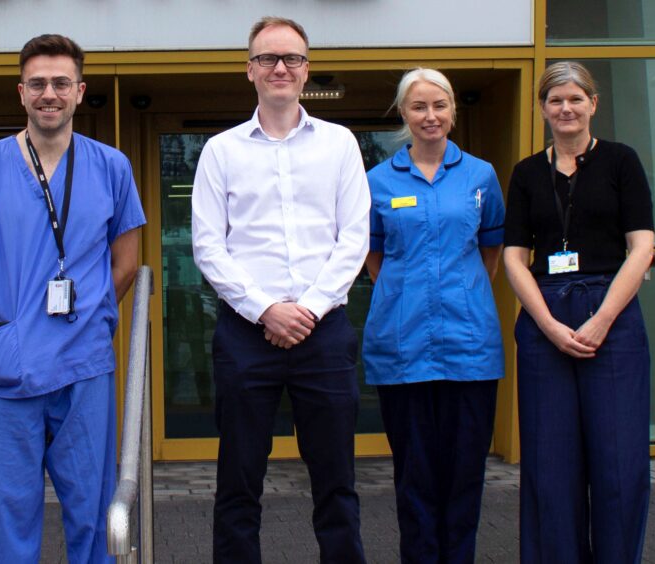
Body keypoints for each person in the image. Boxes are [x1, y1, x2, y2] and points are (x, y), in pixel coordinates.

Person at [0, 34, 144, 564]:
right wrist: (3, 327)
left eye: (60, 83)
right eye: (37, 84)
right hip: (8, 371)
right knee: (4, 516)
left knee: (95, 512)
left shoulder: (111, 167)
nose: (48, 93)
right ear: (21, 92)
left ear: (80, 91)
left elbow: (126, 263)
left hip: (83, 366)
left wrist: (94, 318)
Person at [191, 16, 371, 564]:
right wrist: (266, 309)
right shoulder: (221, 151)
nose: (280, 68)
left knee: (336, 482)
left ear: (306, 70)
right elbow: (208, 246)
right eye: (268, 58)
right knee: (239, 483)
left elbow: (354, 238)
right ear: (250, 71)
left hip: (324, 334)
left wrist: (306, 311)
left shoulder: (340, 144)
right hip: (246, 337)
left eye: (291, 58)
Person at [502, 61, 655, 563]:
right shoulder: (527, 173)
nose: (565, 108)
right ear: (543, 108)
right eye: (555, 100)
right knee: (550, 464)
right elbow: (513, 257)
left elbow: (641, 248)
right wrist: (546, 324)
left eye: (575, 98)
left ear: (593, 103)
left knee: (618, 462)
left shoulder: (621, 162)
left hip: (611, 313)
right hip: (546, 316)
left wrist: (602, 319)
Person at [362, 67, 505, 563]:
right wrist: (407, 291)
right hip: (402, 345)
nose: (430, 116)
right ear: (403, 113)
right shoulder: (376, 180)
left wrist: (459, 291)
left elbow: (490, 248)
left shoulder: (480, 175)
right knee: (415, 474)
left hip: (470, 346)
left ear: (453, 111)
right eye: (419, 107)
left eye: (439, 106)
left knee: (465, 473)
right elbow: (372, 253)